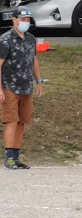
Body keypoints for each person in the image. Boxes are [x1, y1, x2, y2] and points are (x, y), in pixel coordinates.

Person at [1, 9, 44, 170]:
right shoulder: (5, 40)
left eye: (28, 19)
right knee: (11, 121)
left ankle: (16, 156)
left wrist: (39, 80)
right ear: (14, 20)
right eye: (23, 19)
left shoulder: (30, 39)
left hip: (26, 87)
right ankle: (9, 158)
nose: (26, 22)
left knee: (21, 122)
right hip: (9, 86)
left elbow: (33, 60)